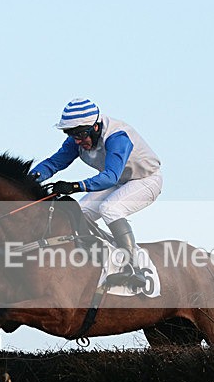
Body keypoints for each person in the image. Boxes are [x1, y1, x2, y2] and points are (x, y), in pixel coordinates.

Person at [31, 98, 162, 289]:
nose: (77, 140)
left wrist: (74, 186)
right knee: (81, 213)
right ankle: (95, 262)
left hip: (145, 180)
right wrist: (27, 181)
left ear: (96, 126)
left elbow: (109, 176)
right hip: (119, 181)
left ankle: (134, 268)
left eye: (81, 134)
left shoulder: (117, 136)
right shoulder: (77, 140)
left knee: (110, 209)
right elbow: (54, 163)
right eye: (71, 134)